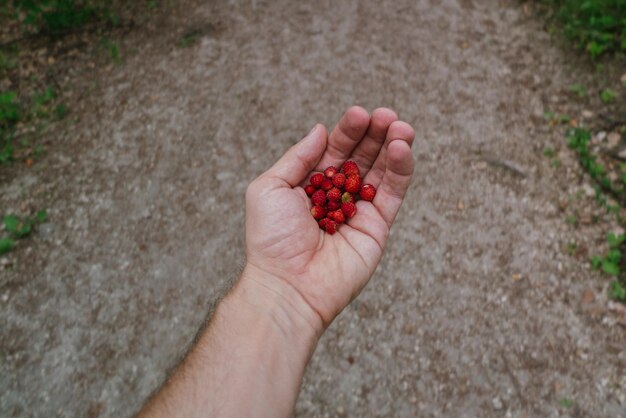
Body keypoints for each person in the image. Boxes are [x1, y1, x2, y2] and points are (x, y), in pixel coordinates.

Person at [137, 107, 416, 417]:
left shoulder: (336, 195)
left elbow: (337, 196)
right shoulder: (331, 196)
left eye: (342, 192)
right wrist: (277, 282)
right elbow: (333, 197)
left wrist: (274, 287)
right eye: (339, 190)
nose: (340, 193)